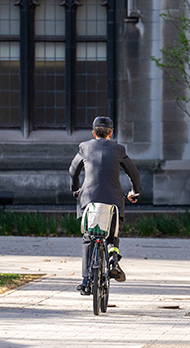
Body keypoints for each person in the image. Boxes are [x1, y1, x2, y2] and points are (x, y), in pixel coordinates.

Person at [69, 116, 141, 295]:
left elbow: (73, 171)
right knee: (112, 232)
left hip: (89, 200)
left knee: (88, 237)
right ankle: (112, 257)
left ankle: (86, 280)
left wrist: (76, 190)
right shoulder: (119, 149)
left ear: (93, 133)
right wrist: (134, 192)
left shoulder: (84, 147)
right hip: (113, 200)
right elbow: (134, 173)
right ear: (111, 134)